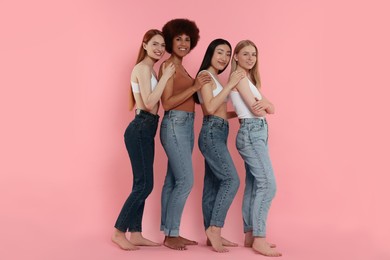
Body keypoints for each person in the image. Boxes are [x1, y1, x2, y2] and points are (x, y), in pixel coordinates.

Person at [112, 29, 175, 251]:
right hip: (140, 127)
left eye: (162, 45)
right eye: (155, 44)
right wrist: (166, 77)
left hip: (147, 127)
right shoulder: (142, 68)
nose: (159, 49)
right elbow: (149, 102)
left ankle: (136, 233)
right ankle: (119, 231)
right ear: (145, 44)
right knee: (145, 184)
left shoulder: (150, 70)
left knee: (141, 183)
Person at [158, 18, 210, 250]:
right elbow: (167, 103)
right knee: (185, 180)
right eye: (178, 38)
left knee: (172, 181)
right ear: (170, 41)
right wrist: (195, 87)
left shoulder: (181, 67)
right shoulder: (168, 66)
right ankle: (171, 235)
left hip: (186, 125)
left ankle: (171, 233)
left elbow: (189, 98)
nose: (183, 43)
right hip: (174, 124)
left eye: (187, 39)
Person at [230, 40, 282, 257]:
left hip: (256, 132)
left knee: (254, 184)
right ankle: (259, 237)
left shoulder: (249, 79)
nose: (251, 58)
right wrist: (264, 105)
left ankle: (251, 235)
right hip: (251, 132)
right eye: (245, 54)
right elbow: (259, 110)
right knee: (268, 184)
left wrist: (266, 105)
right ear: (236, 57)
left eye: (254, 54)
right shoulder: (239, 77)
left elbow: (272, 107)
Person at [194, 39, 244, 252]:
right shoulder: (205, 75)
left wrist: (238, 115)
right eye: (220, 52)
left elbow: (220, 110)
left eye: (227, 54)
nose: (224, 57)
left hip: (218, 130)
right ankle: (214, 228)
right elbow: (211, 107)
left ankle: (211, 233)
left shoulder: (214, 77)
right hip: (212, 132)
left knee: (213, 186)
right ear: (211, 54)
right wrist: (231, 84)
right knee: (231, 180)